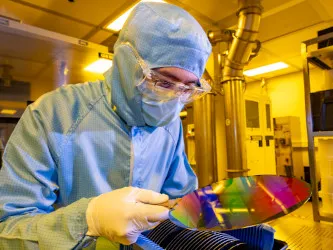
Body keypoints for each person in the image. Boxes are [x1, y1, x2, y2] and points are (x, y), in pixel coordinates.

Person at [0, 2, 212, 249]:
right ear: (126, 61)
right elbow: (8, 228)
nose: (173, 99)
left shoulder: (170, 126)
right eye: (163, 83)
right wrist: (88, 221)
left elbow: (180, 202)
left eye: (187, 89)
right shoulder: (53, 113)